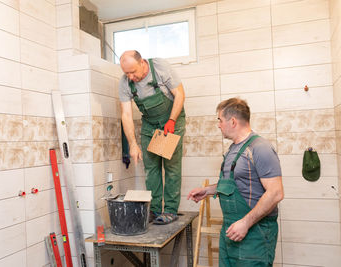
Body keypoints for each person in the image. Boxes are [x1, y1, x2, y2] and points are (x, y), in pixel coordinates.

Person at [187, 98, 284, 266]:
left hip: (254, 235)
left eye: (220, 120)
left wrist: (245, 223)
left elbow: (276, 193)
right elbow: (234, 184)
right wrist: (208, 191)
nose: (218, 125)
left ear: (232, 121)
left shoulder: (260, 148)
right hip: (231, 232)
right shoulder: (233, 149)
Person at [119, 50, 186, 225]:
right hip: (150, 124)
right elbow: (126, 115)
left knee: (171, 167)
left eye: (133, 72)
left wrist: (171, 120)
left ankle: (170, 210)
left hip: (172, 119)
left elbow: (179, 94)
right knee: (151, 169)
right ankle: (155, 210)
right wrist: (133, 144)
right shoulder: (125, 83)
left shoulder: (159, 67)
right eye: (126, 73)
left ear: (142, 62)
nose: (131, 76)